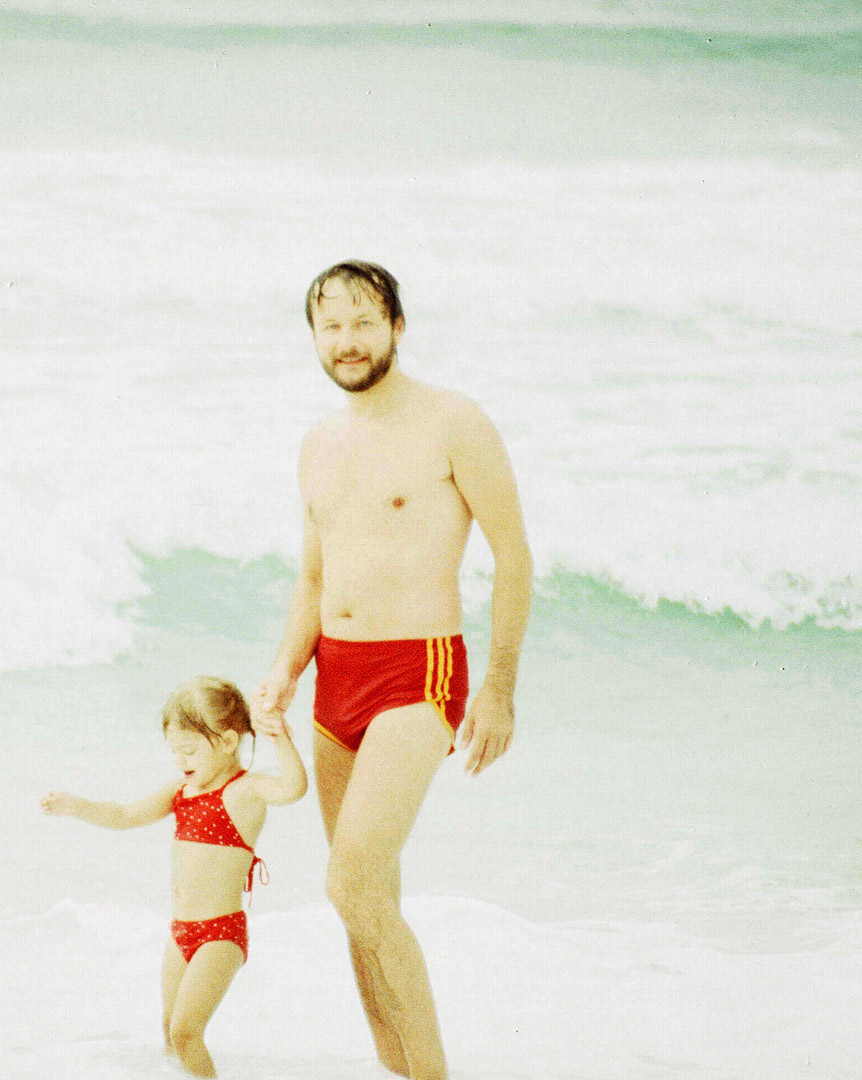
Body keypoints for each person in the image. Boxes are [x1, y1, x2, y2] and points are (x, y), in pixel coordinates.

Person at [254, 261, 532, 1080]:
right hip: (334, 679)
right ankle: (398, 1071)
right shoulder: (317, 442)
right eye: (329, 326)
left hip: (418, 673)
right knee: (363, 907)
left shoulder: (452, 421)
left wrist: (500, 688)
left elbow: (512, 557)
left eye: (363, 322)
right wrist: (284, 669)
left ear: (397, 328)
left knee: (350, 883)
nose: (346, 340)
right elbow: (314, 577)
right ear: (313, 336)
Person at [41, 676, 308, 1078]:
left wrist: (280, 736)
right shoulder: (181, 792)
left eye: (188, 750)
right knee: (169, 1031)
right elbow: (126, 815)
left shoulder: (244, 790)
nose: (181, 761)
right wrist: (76, 807)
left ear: (229, 742)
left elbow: (293, 788)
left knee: (186, 1033)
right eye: (174, 751)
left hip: (220, 934)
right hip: (181, 934)